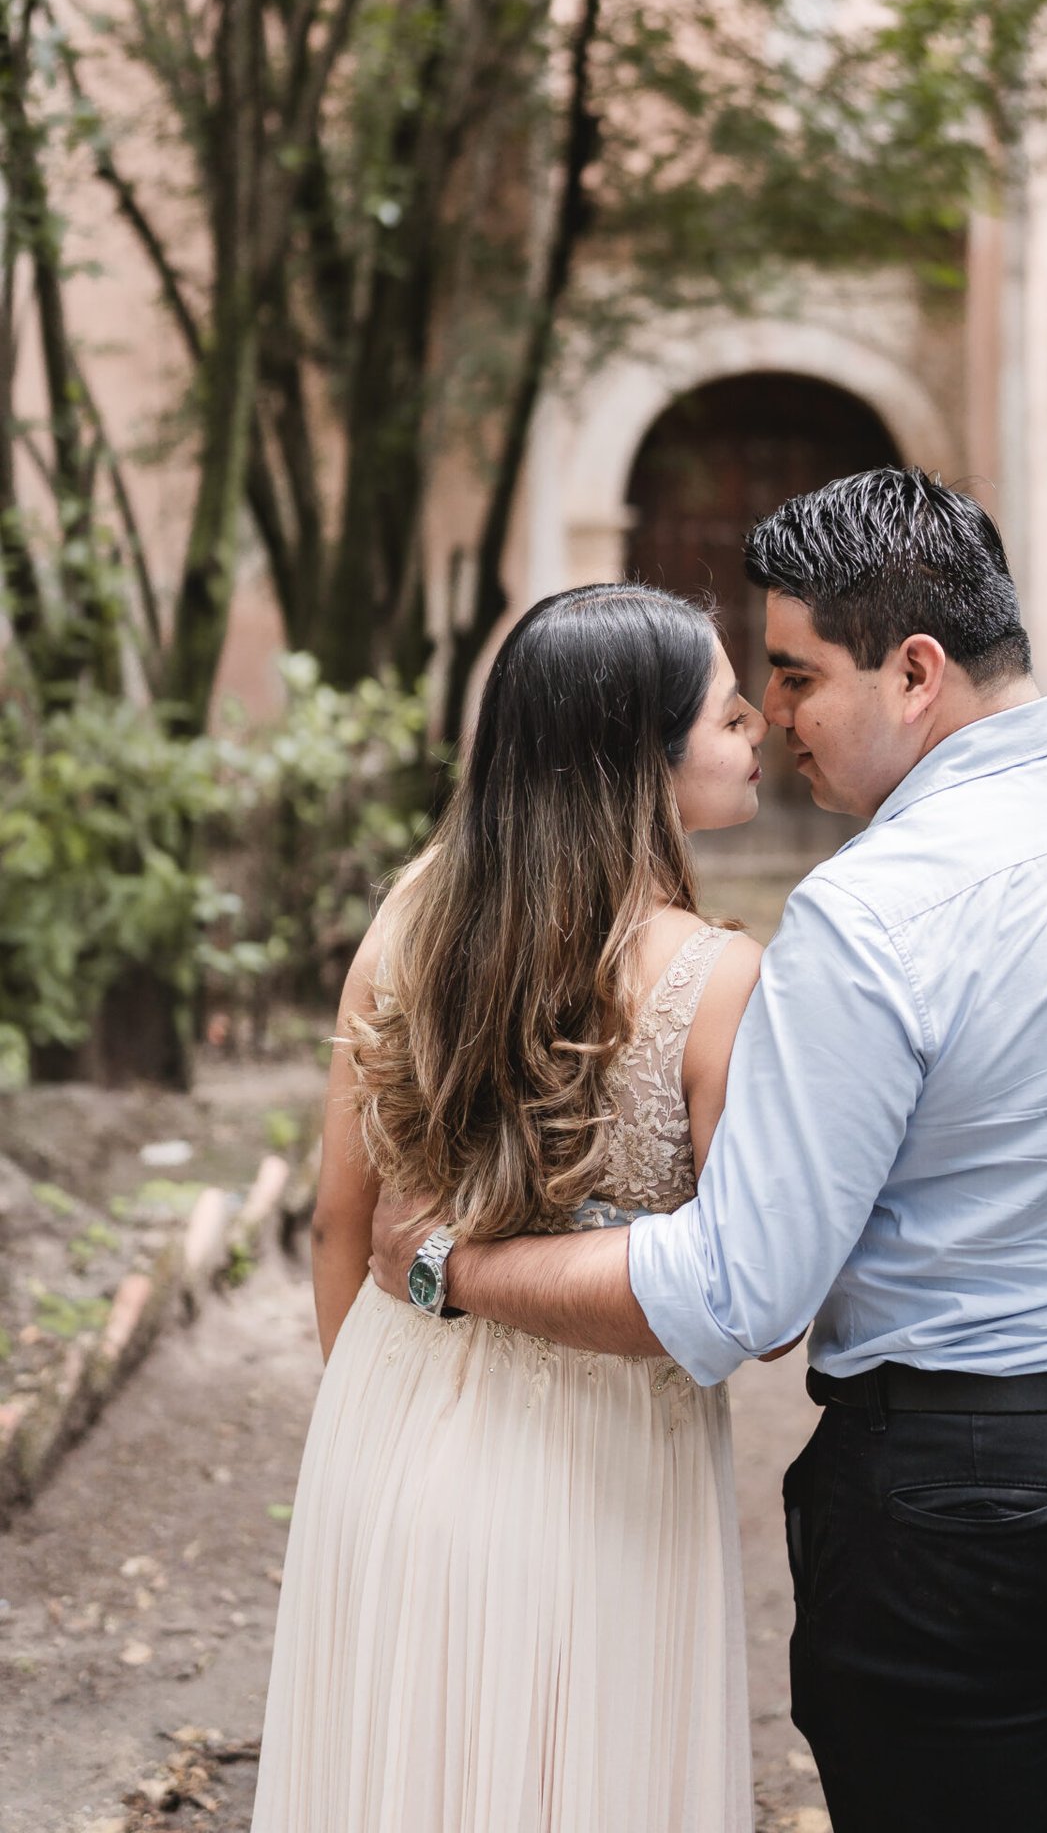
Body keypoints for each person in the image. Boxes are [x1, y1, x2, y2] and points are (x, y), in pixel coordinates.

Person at [372, 466, 1047, 1833]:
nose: (776, 716)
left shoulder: (870, 912)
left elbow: (737, 1292)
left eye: (799, 676)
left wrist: (453, 1267)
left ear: (916, 672)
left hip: (972, 1523)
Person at [252, 584, 768, 1833]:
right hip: (605, 1467)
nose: (757, 722)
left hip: (387, 1412)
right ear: (638, 757)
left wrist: (372, 1428)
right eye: (726, 712)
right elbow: (752, 1286)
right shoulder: (720, 982)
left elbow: (339, 1225)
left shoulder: (410, 916)